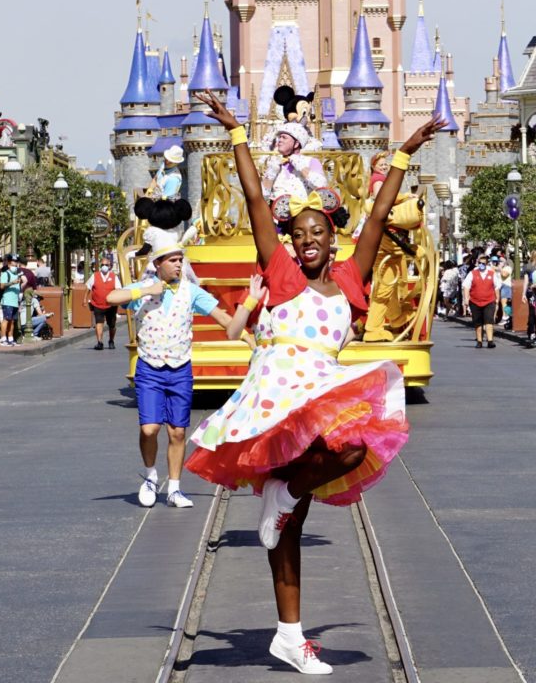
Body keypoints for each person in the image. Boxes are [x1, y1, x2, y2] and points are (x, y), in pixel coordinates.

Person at [186, 91, 440, 675]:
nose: (306, 241)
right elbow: (253, 198)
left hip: (320, 390)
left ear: (331, 237)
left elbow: (376, 217)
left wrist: (401, 154)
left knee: (355, 445)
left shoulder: (352, 277)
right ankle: (289, 635)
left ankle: (288, 494)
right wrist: (236, 135)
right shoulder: (278, 269)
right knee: (288, 531)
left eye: (315, 233)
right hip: (277, 393)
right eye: (298, 234)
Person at [105, 232, 235, 511]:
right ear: (159, 263)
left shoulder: (191, 291)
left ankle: (174, 488)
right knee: (150, 428)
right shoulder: (145, 288)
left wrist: (251, 338)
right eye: (173, 260)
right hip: (150, 367)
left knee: (177, 432)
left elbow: (222, 317)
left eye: (180, 260)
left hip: (179, 368)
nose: (179, 265)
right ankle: (151, 477)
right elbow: (111, 297)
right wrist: (145, 291)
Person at [260, 121, 328, 201]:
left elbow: (322, 187)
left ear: (296, 144)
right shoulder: (275, 163)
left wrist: (301, 166)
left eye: (284, 137)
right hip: (277, 211)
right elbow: (263, 196)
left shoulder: (311, 161)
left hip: (304, 211)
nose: (279, 140)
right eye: (280, 137)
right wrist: (272, 172)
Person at [462, 253, 502, 348]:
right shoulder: (472, 273)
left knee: (489, 321)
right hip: (475, 301)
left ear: (487, 264)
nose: (481, 265)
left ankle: (490, 341)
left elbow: (496, 287)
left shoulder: (492, 274)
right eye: (480, 263)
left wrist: (497, 300)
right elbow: (466, 286)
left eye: (483, 263)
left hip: (489, 301)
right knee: (478, 322)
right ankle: (479, 341)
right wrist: (466, 299)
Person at [86, 257, 119, 350]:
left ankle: (111, 340)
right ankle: (99, 342)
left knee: (112, 325)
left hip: (111, 305)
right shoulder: (95, 275)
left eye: (106, 265)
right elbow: (88, 287)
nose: (104, 267)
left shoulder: (114, 277)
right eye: (102, 265)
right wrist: (85, 299)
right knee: (99, 323)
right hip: (98, 304)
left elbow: (119, 289)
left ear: (110, 266)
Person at [0, 255, 24, 346]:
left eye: (17, 262)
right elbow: (2, 286)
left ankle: (10, 338)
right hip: (7, 301)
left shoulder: (17, 275)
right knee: (6, 319)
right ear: (9, 263)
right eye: (14, 262)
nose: (16, 264)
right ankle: (3, 338)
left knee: (12, 321)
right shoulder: (6, 274)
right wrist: (12, 282)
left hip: (15, 301)